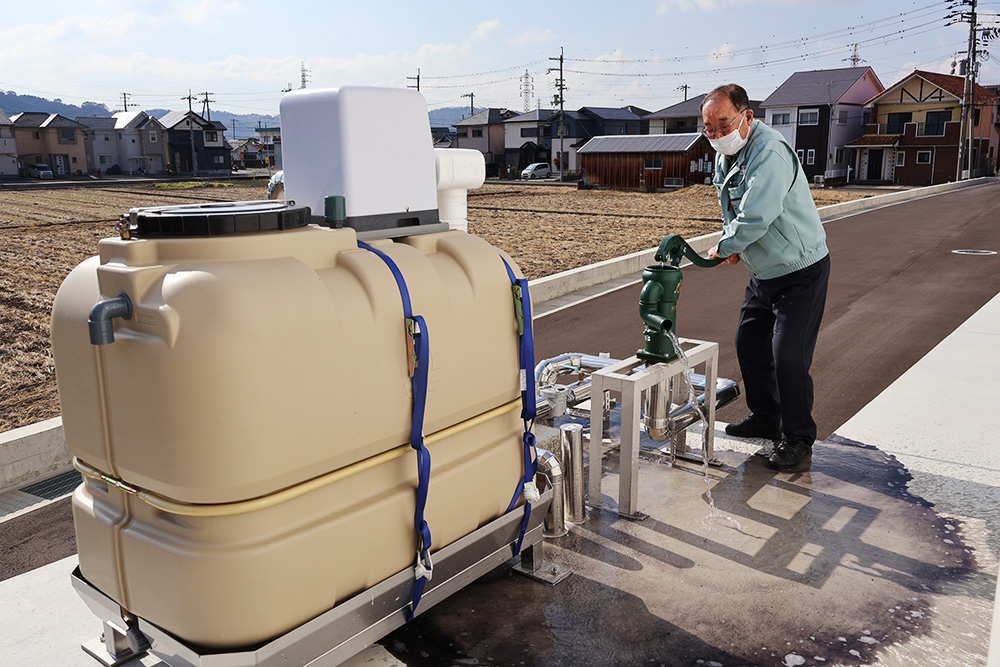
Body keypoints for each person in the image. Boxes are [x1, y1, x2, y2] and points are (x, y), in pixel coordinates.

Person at [701, 84, 830, 471]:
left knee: (788, 357)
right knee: (749, 343)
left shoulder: (768, 152)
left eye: (724, 123)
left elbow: (757, 214)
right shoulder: (730, 154)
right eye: (709, 128)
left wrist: (724, 246)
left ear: (747, 116)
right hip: (764, 271)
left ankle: (798, 439)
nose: (717, 134)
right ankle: (766, 417)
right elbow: (734, 208)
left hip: (799, 270)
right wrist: (739, 244)